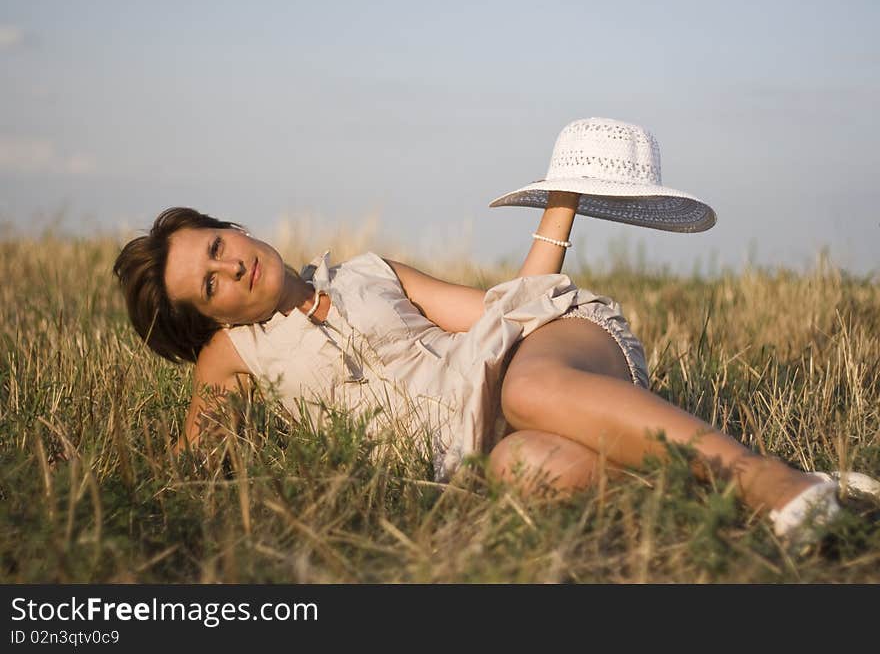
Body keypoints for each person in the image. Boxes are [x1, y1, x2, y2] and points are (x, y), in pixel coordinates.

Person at [113, 117, 877, 552]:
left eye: (217, 246)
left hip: (544, 350)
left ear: (233, 229)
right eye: (206, 286)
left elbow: (504, 311)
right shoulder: (230, 355)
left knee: (528, 381)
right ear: (205, 318)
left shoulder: (370, 269)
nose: (229, 268)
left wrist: (561, 205)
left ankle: (764, 477)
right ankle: (779, 500)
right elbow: (191, 464)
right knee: (524, 470)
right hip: (477, 444)